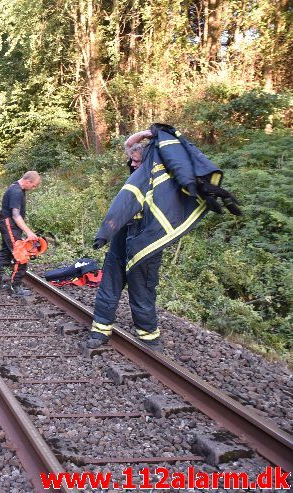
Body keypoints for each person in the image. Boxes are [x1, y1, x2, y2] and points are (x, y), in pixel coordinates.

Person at [87, 124, 240, 350]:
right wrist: (149, 133)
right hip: (122, 237)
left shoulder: (163, 178)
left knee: (143, 289)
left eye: (137, 161)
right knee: (110, 283)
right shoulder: (139, 171)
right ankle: (100, 332)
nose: (132, 163)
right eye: (132, 161)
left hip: (146, 241)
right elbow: (130, 145)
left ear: (148, 160)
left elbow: (185, 164)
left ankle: (149, 338)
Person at [0, 171, 42, 298]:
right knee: (21, 255)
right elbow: (15, 215)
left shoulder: (16, 188)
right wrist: (29, 232)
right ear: (28, 181)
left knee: (6, 254)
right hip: (9, 224)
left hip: (9, 224)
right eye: (34, 185)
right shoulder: (16, 192)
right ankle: (15, 287)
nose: (34, 188)